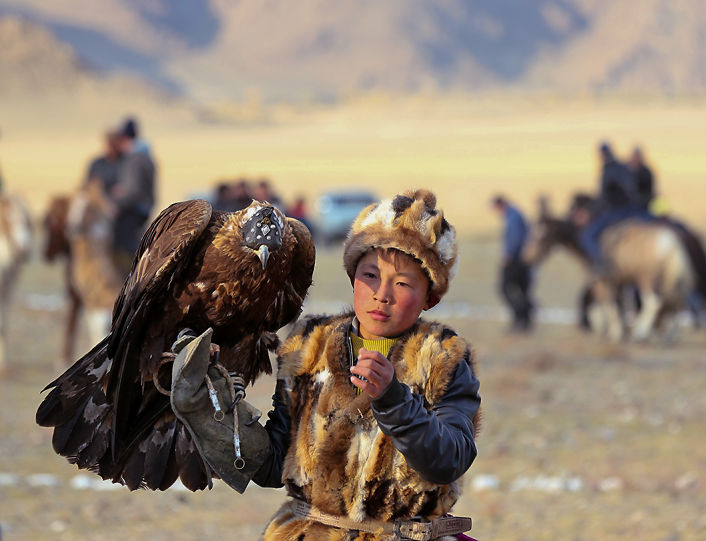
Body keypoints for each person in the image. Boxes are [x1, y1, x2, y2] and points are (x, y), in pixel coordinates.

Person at [171, 189, 481, 540]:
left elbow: (449, 460)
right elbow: (275, 464)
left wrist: (394, 400)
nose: (382, 293)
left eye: (402, 282)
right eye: (370, 276)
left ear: (431, 297)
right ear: (352, 278)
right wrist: (210, 411)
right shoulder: (308, 346)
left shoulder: (443, 359)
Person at [579, 142, 643, 272]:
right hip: (635, 211)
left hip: (617, 213)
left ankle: (603, 263)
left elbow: (604, 198)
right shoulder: (624, 167)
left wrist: (590, 212)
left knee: (587, 236)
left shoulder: (607, 171)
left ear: (601, 154)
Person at [110, 117, 156, 272]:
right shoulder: (145, 156)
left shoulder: (135, 159)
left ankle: (129, 281)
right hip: (142, 209)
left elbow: (133, 191)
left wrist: (117, 201)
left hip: (133, 211)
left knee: (124, 247)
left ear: (125, 139)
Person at [492, 195, 533, 332]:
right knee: (521, 290)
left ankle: (522, 315)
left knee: (505, 288)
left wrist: (508, 253)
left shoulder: (513, 216)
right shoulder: (515, 213)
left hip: (515, 260)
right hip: (521, 259)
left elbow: (515, 237)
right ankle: (523, 321)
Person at [84, 130, 123, 194]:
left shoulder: (126, 163)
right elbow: (88, 183)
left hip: (118, 199)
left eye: (113, 143)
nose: (111, 147)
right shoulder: (96, 164)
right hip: (98, 197)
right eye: (109, 143)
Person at [628, 146, 655, 212]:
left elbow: (649, 191)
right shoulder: (626, 170)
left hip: (643, 202)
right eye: (635, 156)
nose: (636, 158)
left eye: (638, 156)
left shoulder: (646, 172)